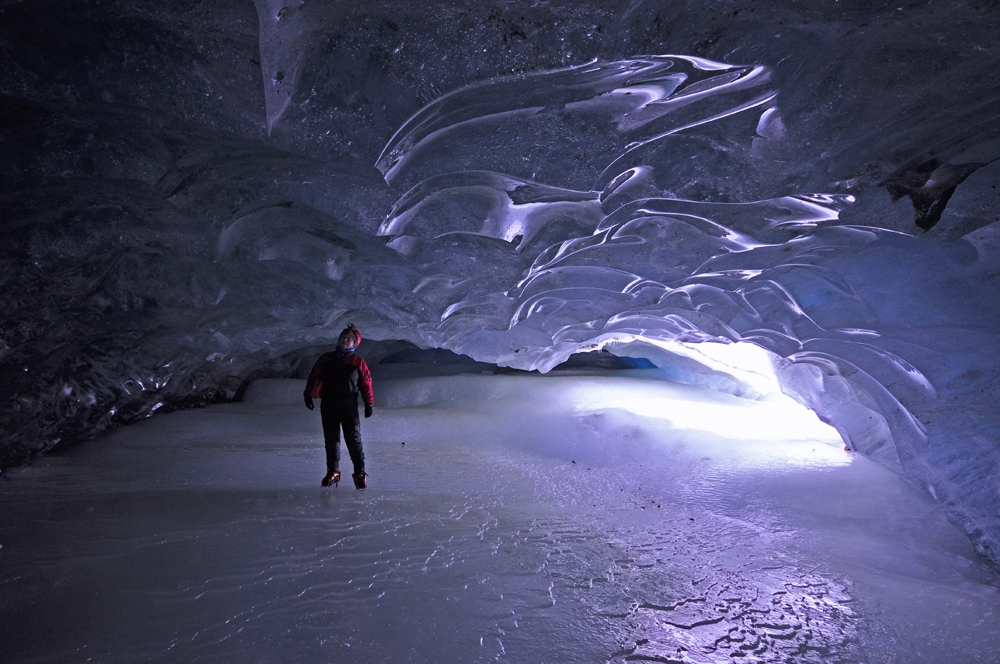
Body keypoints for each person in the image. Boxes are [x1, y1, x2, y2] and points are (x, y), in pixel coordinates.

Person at [304, 324, 374, 490]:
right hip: (329, 404)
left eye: (349, 338)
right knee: (331, 439)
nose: (345, 339)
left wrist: (369, 402)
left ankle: (359, 474)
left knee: (353, 440)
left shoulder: (358, 362)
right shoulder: (326, 359)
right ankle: (333, 472)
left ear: (355, 343)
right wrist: (307, 394)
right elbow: (314, 376)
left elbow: (366, 383)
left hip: (349, 405)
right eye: (343, 336)